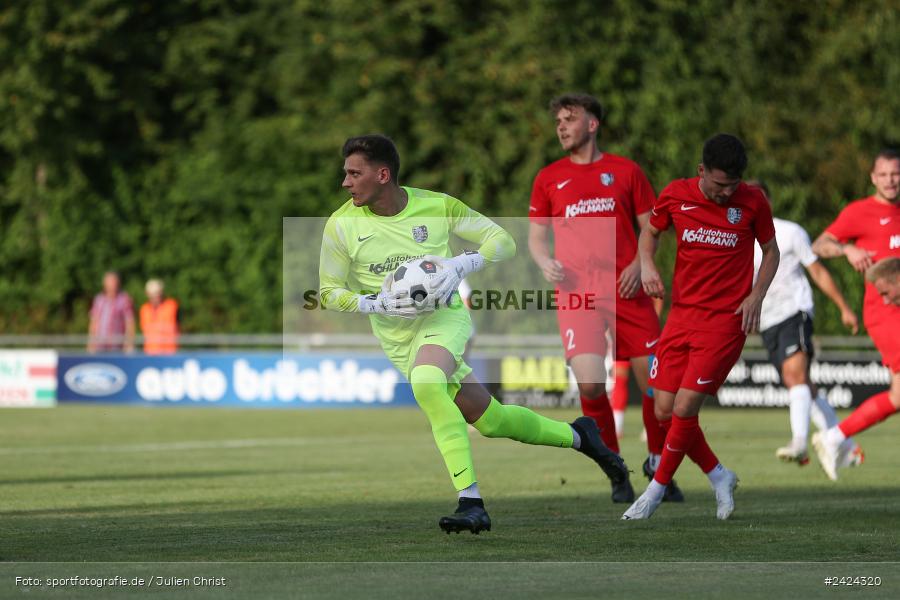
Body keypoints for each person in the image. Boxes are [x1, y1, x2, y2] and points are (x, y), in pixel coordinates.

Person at [318, 134, 627, 534]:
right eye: (346, 174)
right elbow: (327, 291)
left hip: (444, 319)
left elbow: (504, 241)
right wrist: (372, 303)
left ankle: (471, 501)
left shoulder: (438, 206)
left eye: (353, 173)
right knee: (492, 421)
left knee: (428, 383)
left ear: (382, 174)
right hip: (397, 338)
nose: (345, 182)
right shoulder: (340, 225)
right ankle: (581, 436)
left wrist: (461, 265)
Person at [528, 93, 680, 504]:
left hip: (627, 292)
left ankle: (655, 461)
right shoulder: (548, 178)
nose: (561, 126)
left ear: (592, 124)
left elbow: (653, 227)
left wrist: (639, 264)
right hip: (577, 295)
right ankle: (615, 468)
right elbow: (537, 236)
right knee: (592, 385)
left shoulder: (625, 171)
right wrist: (544, 262)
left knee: (657, 385)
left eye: (570, 119)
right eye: (558, 120)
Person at [623, 134, 779, 520]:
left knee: (684, 405)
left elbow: (772, 251)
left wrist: (756, 295)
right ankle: (719, 474)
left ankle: (655, 491)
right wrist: (647, 265)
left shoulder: (754, 200)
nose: (727, 193)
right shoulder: (676, 195)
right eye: (719, 184)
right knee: (663, 410)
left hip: (725, 321)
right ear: (701, 172)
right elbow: (651, 231)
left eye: (733, 186)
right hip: (681, 317)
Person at [747, 181, 862, 466]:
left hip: (795, 311)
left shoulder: (789, 232)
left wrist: (844, 308)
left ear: (769, 202)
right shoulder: (737, 240)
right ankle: (845, 445)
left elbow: (818, 272)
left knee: (795, 375)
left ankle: (799, 442)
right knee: (800, 383)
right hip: (768, 321)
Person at [810, 149, 900, 481]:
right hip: (884, 312)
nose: (891, 180)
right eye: (885, 174)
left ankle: (833, 437)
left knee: (898, 396)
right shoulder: (860, 212)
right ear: (873, 178)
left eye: (896, 174)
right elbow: (819, 244)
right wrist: (847, 248)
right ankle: (833, 438)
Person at [87, 271, 135, 353]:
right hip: (100, 344)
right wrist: (91, 342)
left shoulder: (124, 299)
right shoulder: (99, 300)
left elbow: (130, 322)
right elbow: (94, 321)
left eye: (113, 281)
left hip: (117, 345)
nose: (111, 284)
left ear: (118, 283)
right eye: (109, 282)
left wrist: (129, 343)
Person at [139, 279, 180, 354]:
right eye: (153, 293)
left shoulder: (172, 305)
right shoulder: (144, 309)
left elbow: (177, 326)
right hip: (150, 351)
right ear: (147, 294)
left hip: (169, 351)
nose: (155, 296)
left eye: (157, 293)